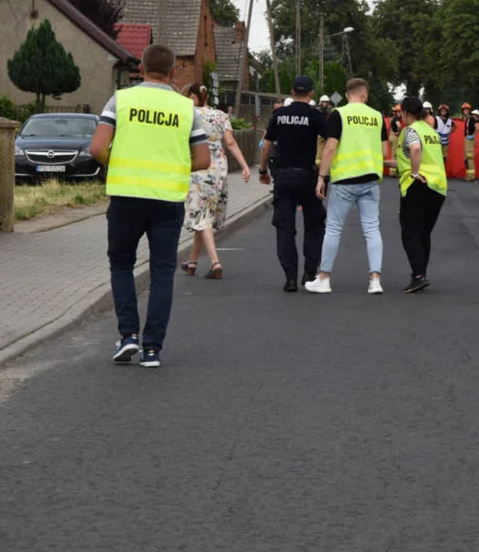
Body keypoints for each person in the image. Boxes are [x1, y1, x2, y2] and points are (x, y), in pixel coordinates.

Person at [89, 44, 211, 368]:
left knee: (121, 265)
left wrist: (117, 164)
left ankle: (128, 336)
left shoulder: (122, 99)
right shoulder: (187, 109)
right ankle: (153, 349)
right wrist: (171, 167)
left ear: (140, 69)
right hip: (168, 200)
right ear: (173, 73)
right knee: (162, 272)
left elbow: (97, 148)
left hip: (126, 196)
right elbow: (203, 159)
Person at [308, 77, 390, 295]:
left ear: (347, 95)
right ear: (365, 94)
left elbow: (330, 147)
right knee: (372, 229)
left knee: (333, 228)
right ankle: (375, 280)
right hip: (370, 180)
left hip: (344, 180)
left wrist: (321, 177)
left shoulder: (340, 114)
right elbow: (384, 152)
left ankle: (324, 279)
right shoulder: (377, 117)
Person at [259, 76, 328, 292]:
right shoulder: (315, 116)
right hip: (307, 176)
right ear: (311, 93)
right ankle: (309, 273)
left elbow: (266, 146)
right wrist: (324, 175)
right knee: (314, 225)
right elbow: (331, 142)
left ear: (292, 91)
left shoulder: (279, 116)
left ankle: (290, 277)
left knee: (284, 227)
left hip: (284, 177)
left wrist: (262, 171)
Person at [180, 83, 250, 279]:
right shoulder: (220, 115)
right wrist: (244, 165)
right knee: (206, 215)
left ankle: (215, 262)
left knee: (201, 216)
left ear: (192, 96)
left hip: (197, 168)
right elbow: (230, 142)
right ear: (207, 96)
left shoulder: (187, 114)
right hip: (218, 169)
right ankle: (192, 262)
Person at [387, 96, 447, 293]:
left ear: (405, 113)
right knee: (423, 232)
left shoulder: (411, 130)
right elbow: (408, 158)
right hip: (438, 187)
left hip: (418, 184)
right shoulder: (431, 132)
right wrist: (382, 163)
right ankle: (421, 273)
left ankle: (419, 275)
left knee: (410, 231)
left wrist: (413, 173)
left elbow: (415, 149)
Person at [462, 104, 479, 182]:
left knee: (469, 158)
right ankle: (469, 176)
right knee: (466, 159)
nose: (465, 111)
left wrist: (472, 135)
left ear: (469, 111)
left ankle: (471, 176)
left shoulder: (471, 118)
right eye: (464, 110)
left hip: (470, 139)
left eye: (466, 110)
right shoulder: (468, 119)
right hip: (467, 139)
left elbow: (478, 127)